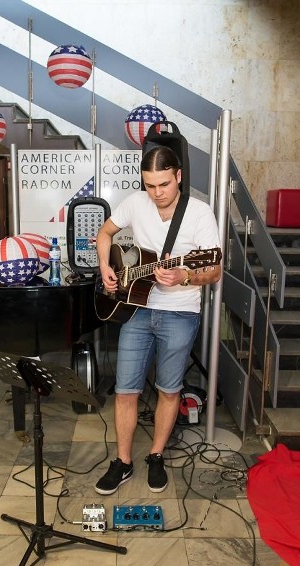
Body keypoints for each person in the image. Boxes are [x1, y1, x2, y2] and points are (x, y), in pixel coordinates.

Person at [94, 146, 221, 495]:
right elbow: (105, 234)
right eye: (150, 185)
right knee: (125, 390)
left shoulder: (199, 214)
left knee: (169, 389)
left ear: (178, 176)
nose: (157, 193)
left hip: (179, 312)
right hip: (137, 308)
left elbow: (213, 270)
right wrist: (107, 267)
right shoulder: (136, 202)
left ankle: (155, 455)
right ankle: (122, 462)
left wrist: (184, 276)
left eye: (163, 184)